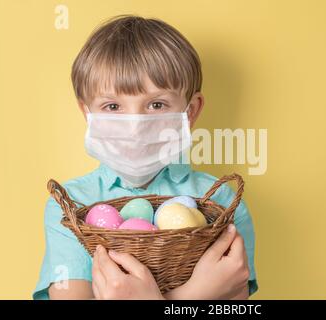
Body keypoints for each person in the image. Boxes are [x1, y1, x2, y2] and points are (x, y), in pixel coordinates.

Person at [33, 14, 258, 300]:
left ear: (189, 112)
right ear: (87, 113)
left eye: (156, 104)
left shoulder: (222, 202)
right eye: (113, 106)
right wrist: (189, 296)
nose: (135, 125)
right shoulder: (70, 208)